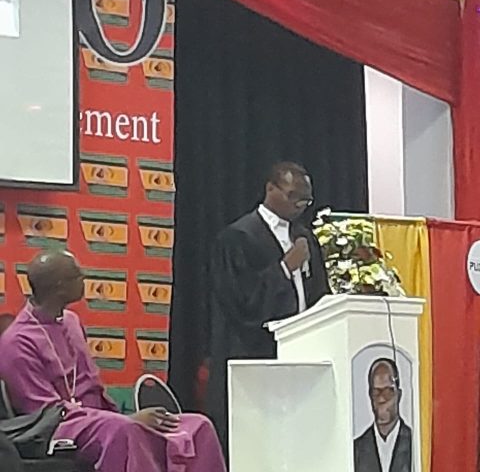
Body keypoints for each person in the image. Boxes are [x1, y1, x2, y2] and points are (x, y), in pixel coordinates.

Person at [0, 250, 227, 472]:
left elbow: (92, 388)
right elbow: (43, 413)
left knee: (198, 425)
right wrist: (128, 419)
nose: (84, 278)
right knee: (124, 429)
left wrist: (118, 416)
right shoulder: (17, 341)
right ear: (59, 286)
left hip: (102, 419)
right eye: (77, 275)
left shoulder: (71, 322)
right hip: (59, 428)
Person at [207, 161, 331, 453]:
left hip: (302, 357)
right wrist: (284, 269)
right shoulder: (237, 237)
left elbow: (319, 294)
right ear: (270, 189)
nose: (299, 205)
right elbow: (239, 302)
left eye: (306, 200)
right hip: (255, 356)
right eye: (293, 195)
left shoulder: (304, 237)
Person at [354, 358, 412, 472]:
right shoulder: (356, 450)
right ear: (370, 395)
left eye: (387, 392)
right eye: (376, 392)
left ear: (399, 394)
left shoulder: (415, 443)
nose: (381, 399)